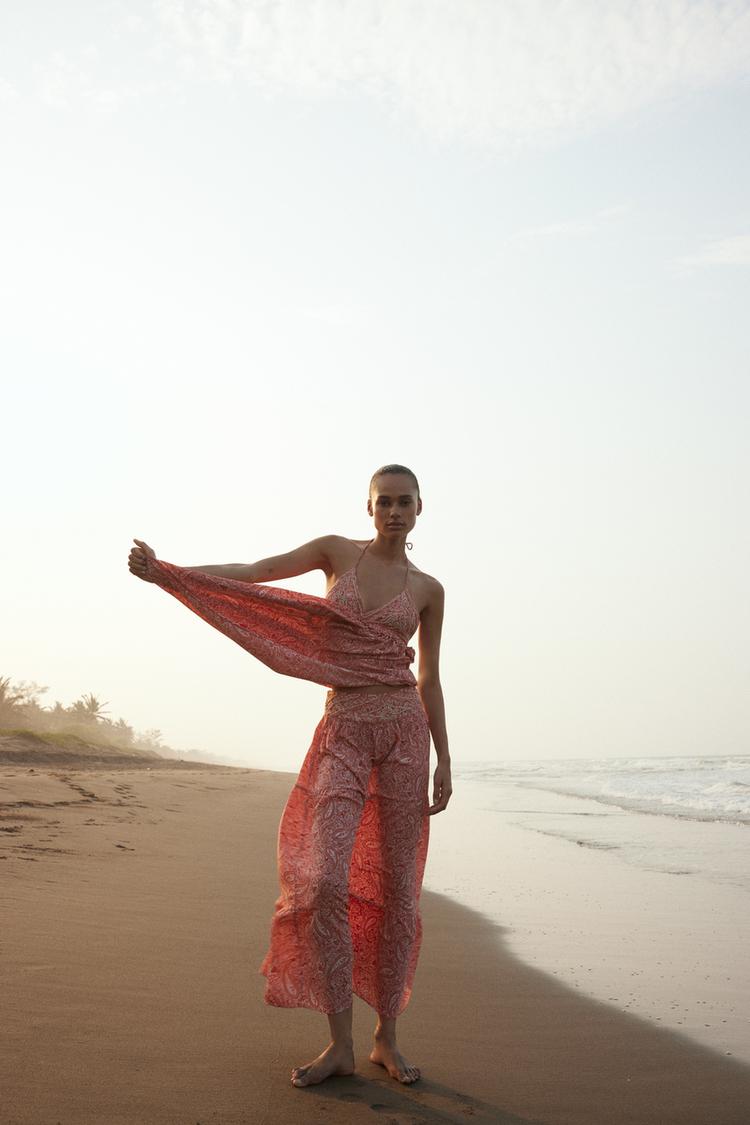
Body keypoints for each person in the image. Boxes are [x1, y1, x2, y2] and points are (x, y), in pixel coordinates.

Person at [128, 463, 452, 1089]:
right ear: (368, 508)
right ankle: (339, 1043)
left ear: (420, 508)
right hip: (346, 726)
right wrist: (171, 573)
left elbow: (429, 679)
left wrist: (444, 755)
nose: (393, 511)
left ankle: (386, 1037)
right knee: (324, 877)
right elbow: (255, 576)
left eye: (404, 502)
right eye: (383, 501)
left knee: (398, 891)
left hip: (406, 734)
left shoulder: (431, 589)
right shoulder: (335, 554)